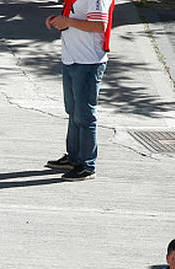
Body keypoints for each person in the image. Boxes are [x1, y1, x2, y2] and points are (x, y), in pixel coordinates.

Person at [44, 0, 114, 181]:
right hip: (72, 59)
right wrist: (59, 20)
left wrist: (67, 22)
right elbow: (76, 15)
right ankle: (74, 158)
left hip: (89, 62)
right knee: (73, 111)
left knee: (85, 115)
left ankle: (87, 165)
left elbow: (100, 26)